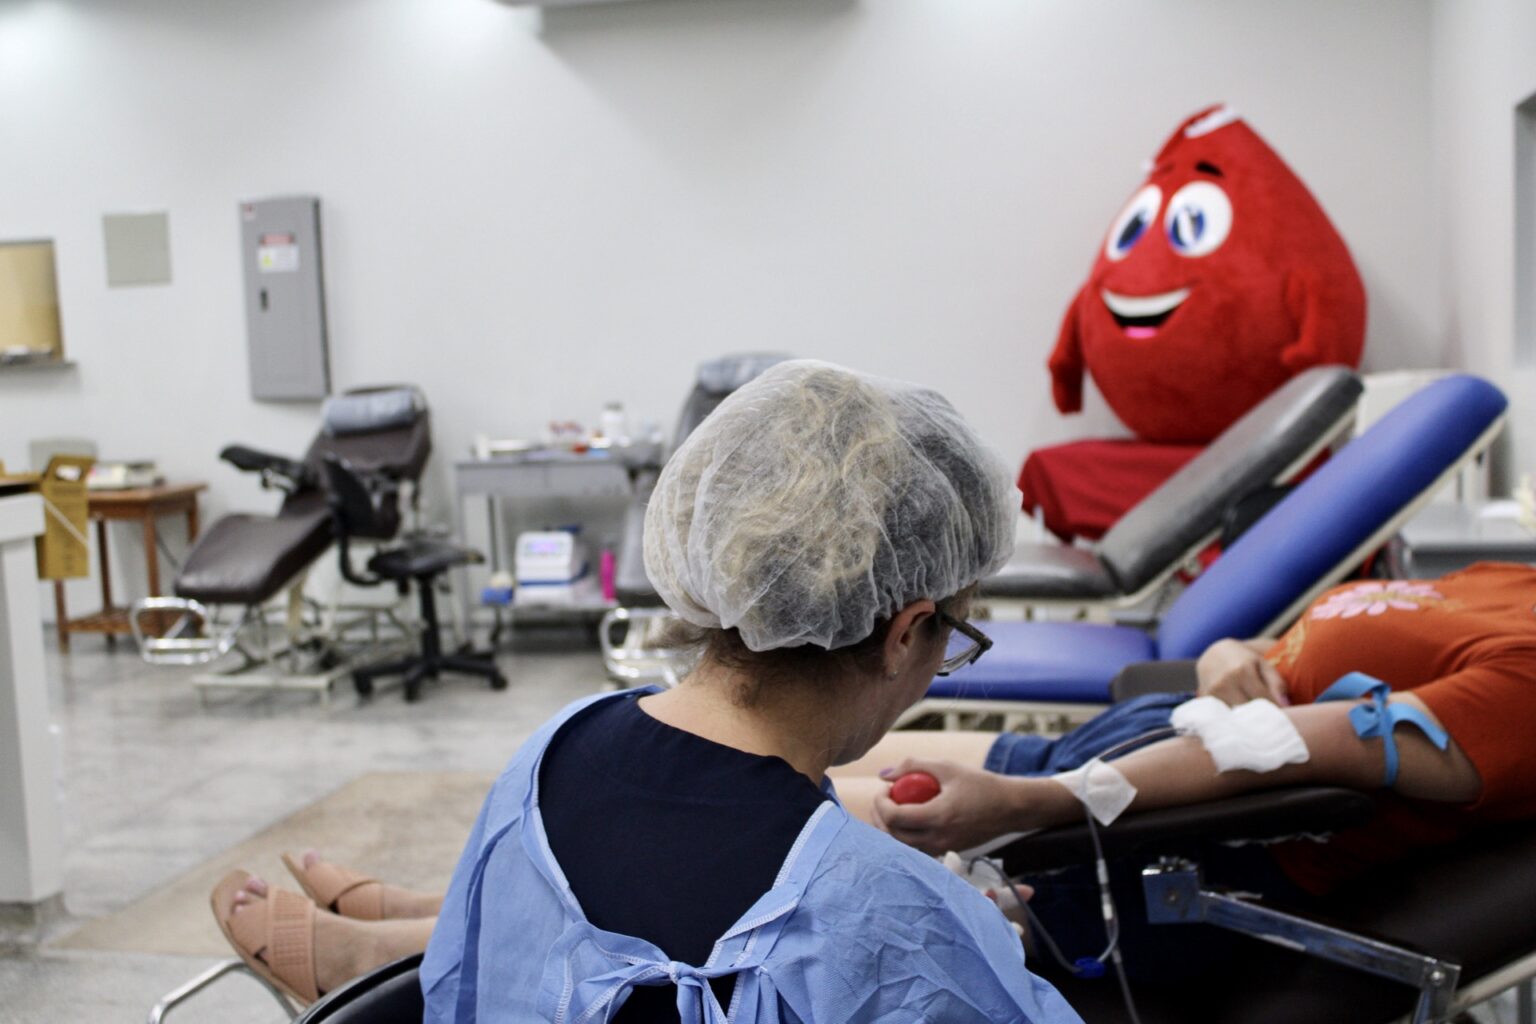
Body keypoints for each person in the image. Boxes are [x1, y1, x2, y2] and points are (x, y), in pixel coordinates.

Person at [212, 360, 1081, 1023]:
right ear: (903, 632)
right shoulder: (897, 919)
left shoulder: (549, 753)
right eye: (952, 638)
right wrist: (970, 940)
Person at [836, 561, 1535, 974]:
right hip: (1139, 743)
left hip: (1160, 830)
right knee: (805, 755)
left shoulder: (1526, 686)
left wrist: (1024, 805)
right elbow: (1309, 646)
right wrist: (1227, 652)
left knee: (797, 816)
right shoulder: (1511, 583)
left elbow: (1274, 747)